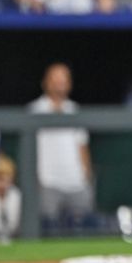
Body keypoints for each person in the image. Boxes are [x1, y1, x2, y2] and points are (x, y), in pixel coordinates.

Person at [28, 63, 94, 233]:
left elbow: (82, 145)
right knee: (49, 231)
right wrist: (35, 179)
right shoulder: (35, 110)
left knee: (83, 231)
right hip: (48, 182)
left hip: (76, 182)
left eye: (63, 79)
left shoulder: (74, 109)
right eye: (55, 79)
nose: (59, 83)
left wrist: (86, 176)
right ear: (45, 82)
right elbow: (29, 149)